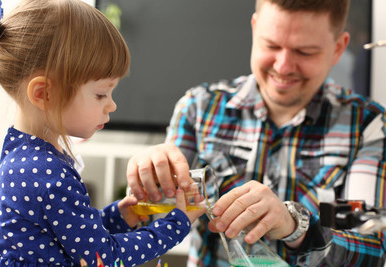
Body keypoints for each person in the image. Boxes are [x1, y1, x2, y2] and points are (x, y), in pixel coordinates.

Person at [126, 0, 386, 266]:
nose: (283, 67)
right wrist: (149, 181)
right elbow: (155, 222)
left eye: (305, 52)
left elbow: (372, 253)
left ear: (338, 48)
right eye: (271, 45)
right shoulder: (197, 108)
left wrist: (295, 226)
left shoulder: (368, 125)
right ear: (254, 29)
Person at [0, 0, 204, 266]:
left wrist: (118, 217)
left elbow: (69, 231)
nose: (112, 105)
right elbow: (105, 257)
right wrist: (176, 224)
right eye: (101, 94)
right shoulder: (47, 175)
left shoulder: (27, 156)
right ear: (44, 94)